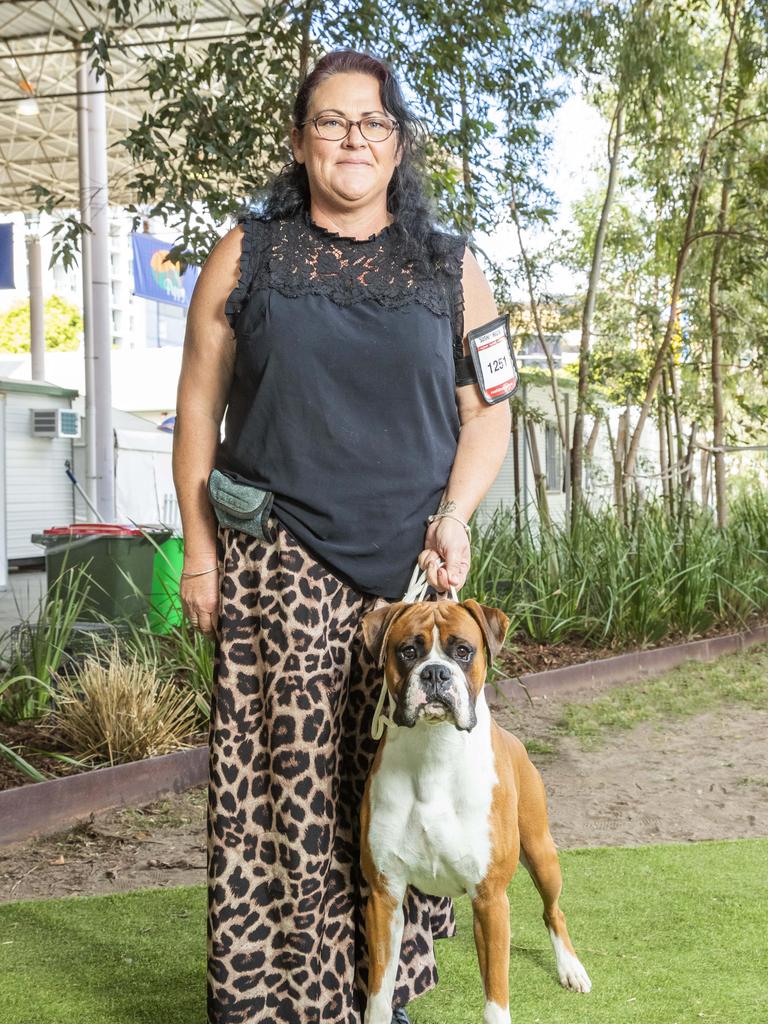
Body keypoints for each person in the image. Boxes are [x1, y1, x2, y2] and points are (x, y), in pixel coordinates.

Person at [173, 48, 511, 1024]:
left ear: (397, 143)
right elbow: (196, 411)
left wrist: (455, 517)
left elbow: (487, 416)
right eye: (330, 121)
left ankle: (380, 994)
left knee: (400, 792)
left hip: (405, 576)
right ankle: (278, 1001)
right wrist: (199, 550)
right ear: (298, 139)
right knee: (286, 801)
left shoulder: (453, 268)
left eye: (371, 122)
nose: (352, 138)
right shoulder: (251, 254)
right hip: (278, 562)